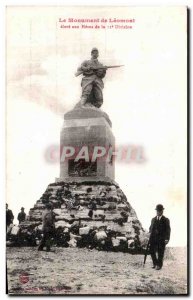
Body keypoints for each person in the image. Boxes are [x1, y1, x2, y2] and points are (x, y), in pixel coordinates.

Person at [149, 204, 171, 270]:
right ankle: (155, 263)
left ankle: (159, 265)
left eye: (160, 211)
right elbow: (150, 227)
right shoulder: (153, 219)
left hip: (162, 239)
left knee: (160, 252)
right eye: (157, 211)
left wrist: (167, 238)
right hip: (153, 238)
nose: (158, 212)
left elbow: (168, 230)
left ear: (162, 211)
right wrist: (150, 231)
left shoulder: (166, 220)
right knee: (151, 251)